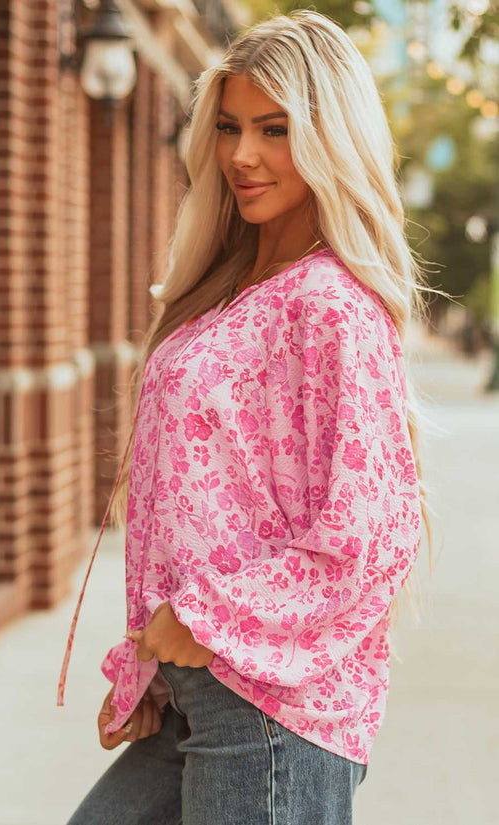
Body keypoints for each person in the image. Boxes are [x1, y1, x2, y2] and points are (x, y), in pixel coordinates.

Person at [59, 9, 437, 824]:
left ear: (331, 136)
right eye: (228, 126)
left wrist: (197, 623)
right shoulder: (225, 290)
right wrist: (153, 665)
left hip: (277, 707)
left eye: (274, 128)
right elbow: (206, 498)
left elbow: (372, 534)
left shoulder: (333, 303)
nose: (241, 155)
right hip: (201, 690)